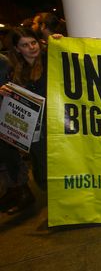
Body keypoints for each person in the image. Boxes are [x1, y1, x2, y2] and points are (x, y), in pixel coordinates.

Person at [1, 27, 49, 213]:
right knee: (41, 168)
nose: (31, 47)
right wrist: (4, 92)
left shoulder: (50, 60)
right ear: (17, 49)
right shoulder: (14, 71)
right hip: (34, 129)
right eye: (24, 45)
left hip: (56, 122)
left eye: (33, 42)